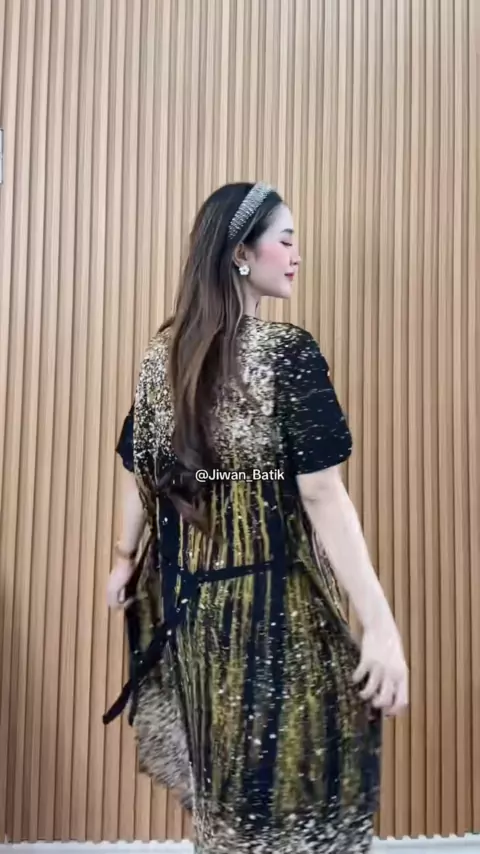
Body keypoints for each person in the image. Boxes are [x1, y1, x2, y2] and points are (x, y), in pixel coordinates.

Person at [104, 182, 408, 853]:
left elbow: (137, 465)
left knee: (229, 803)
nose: (297, 255)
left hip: (194, 617)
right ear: (241, 252)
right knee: (292, 797)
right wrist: (381, 626)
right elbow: (322, 495)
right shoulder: (285, 352)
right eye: (286, 240)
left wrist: (124, 561)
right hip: (276, 612)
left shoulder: (163, 356)